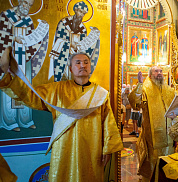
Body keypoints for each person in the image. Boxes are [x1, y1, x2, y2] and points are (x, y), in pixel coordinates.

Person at [0, 47, 123, 181]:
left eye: (86, 62)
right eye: (78, 62)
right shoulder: (57, 89)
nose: (83, 65)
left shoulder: (101, 94)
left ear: (90, 67)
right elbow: (30, 96)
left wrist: (107, 149)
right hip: (64, 148)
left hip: (92, 149)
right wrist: (10, 76)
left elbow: (108, 122)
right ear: (70, 69)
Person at [128, 65, 178, 181]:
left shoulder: (168, 89)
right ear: (150, 75)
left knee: (167, 165)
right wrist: (140, 85)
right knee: (153, 165)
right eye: (156, 71)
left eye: (161, 71)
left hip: (169, 136)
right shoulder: (145, 89)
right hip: (152, 138)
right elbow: (134, 102)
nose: (159, 73)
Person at [0, 0, 49, 131]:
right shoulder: (6, 15)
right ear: (20, 1)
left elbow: (32, 39)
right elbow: (1, 34)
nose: (27, 7)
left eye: (30, 5)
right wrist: (13, 39)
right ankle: (9, 121)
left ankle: (25, 119)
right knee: (11, 84)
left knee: (25, 86)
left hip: (24, 57)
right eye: (26, 3)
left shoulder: (28, 20)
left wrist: (42, 35)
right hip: (10, 58)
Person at [49, 1, 100, 81]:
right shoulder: (64, 23)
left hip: (76, 60)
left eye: (83, 13)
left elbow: (84, 45)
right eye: (80, 11)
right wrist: (71, 45)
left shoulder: (83, 29)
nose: (81, 15)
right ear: (75, 10)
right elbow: (59, 39)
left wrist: (94, 36)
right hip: (63, 57)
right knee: (62, 81)